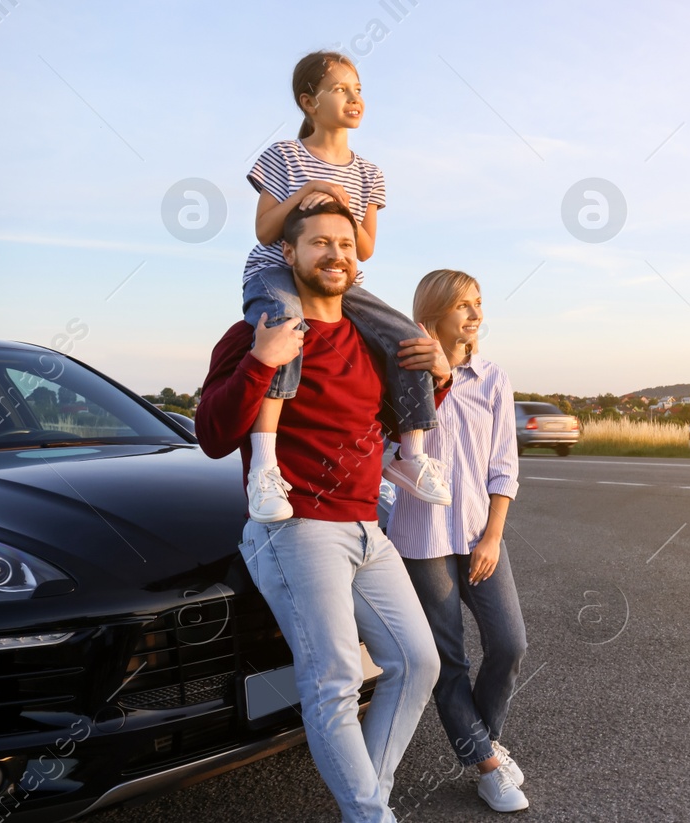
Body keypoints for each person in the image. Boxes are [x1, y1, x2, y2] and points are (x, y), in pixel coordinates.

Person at [196, 200, 446, 823]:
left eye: (345, 243)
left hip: (366, 526)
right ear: (289, 254)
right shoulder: (256, 331)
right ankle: (371, 816)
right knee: (333, 682)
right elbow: (211, 434)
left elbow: (384, 422)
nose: (335, 254)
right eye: (319, 244)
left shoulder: (367, 338)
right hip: (296, 530)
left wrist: (437, 376)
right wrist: (261, 362)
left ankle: (369, 803)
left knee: (419, 662)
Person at [239, 50, 451, 524]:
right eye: (341, 89)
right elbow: (265, 231)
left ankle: (410, 453)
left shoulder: (368, 173)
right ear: (309, 102)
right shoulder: (284, 155)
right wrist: (304, 192)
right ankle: (265, 469)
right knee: (286, 332)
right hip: (278, 270)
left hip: (341, 277)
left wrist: (339, 204)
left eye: (358, 90)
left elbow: (366, 248)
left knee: (412, 339)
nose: (355, 98)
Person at [387, 269, 531, 813]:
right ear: (432, 315)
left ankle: (481, 746)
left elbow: (504, 468)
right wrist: (435, 376)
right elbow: (390, 455)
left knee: (510, 644)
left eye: (478, 304)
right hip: (422, 541)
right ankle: (488, 767)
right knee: (449, 661)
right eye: (463, 305)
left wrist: (493, 536)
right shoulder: (402, 376)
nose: (475, 314)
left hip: (478, 535)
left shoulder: (493, 378)